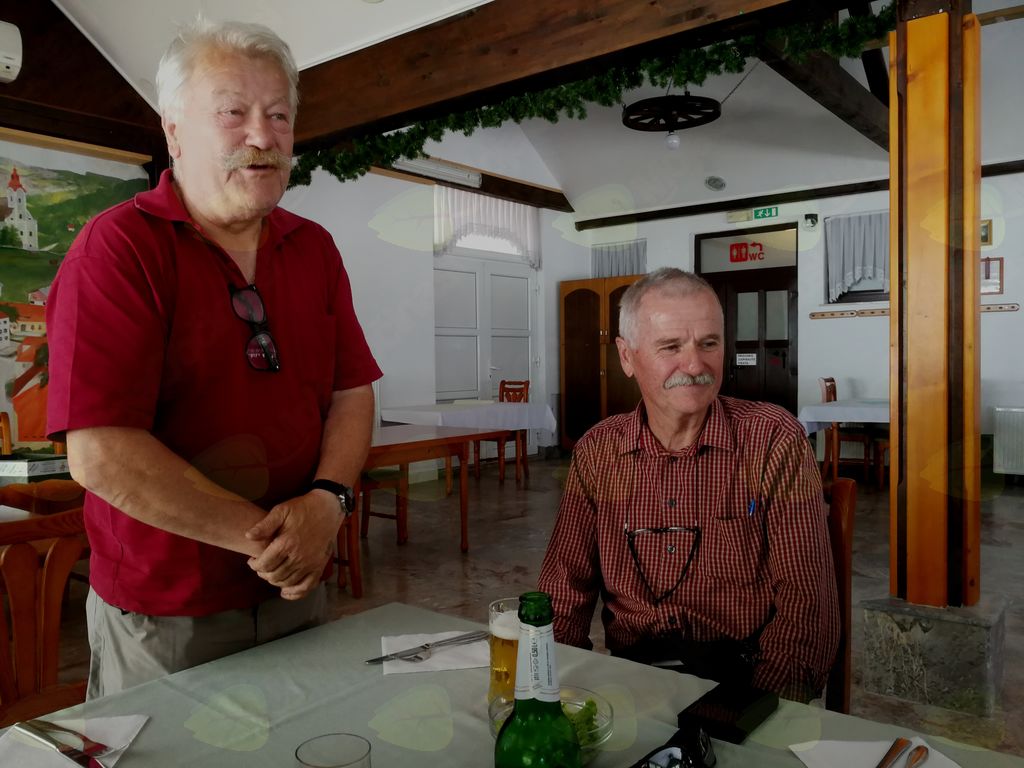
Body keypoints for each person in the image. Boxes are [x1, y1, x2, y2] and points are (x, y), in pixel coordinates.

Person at [45, 19, 382, 698]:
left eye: (279, 115)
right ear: (174, 132)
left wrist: (328, 502)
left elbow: (352, 391)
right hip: (167, 614)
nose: (263, 136)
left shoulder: (313, 247)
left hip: (297, 594)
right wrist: (278, 543)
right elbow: (101, 452)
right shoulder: (120, 247)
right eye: (233, 112)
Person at [538, 268, 838, 702]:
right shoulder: (599, 451)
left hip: (744, 677)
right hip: (631, 677)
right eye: (670, 346)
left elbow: (807, 604)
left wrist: (758, 712)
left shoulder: (772, 440)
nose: (695, 365)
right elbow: (563, 589)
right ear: (626, 357)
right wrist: (553, 687)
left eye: (708, 343)